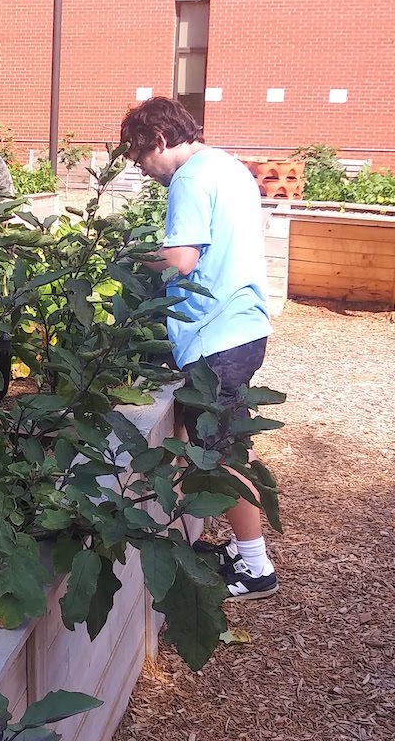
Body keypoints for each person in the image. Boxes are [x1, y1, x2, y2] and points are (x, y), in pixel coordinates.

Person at [120, 97, 277, 600]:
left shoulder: (188, 178)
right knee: (217, 444)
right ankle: (241, 547)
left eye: (142, 161)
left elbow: (181, 260)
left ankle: (256, 566)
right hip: (243, 327)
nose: (147, 174)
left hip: (217, 336)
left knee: (221, 454)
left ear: (160, 141)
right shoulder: (227, 166)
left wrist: (126, 254)